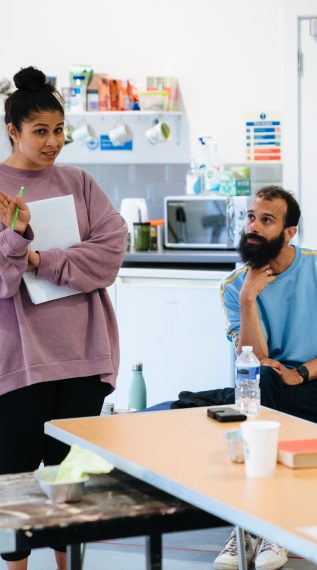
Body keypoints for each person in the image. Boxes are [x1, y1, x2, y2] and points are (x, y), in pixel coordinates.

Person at [0, 67, 127, 570]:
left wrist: (38, 259)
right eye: (40, 132)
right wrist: (15, 237)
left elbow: (109, 256)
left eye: (59, 131)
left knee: (69, 481)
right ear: (12, 131)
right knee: (15, 478)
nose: (53, 142)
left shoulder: (80, 182)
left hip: (81, 351)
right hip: (19, 360)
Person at [216, 186, 317, 570]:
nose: (254, 227)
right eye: (251, 217)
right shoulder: (235, 287)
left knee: (255, 403)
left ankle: (255, 526)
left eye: (267, 220)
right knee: (259, 385)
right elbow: (254, 359)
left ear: (289, 231)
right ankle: (258, 526)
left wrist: (301, 372)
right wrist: (249, 299)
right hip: (266, 384)